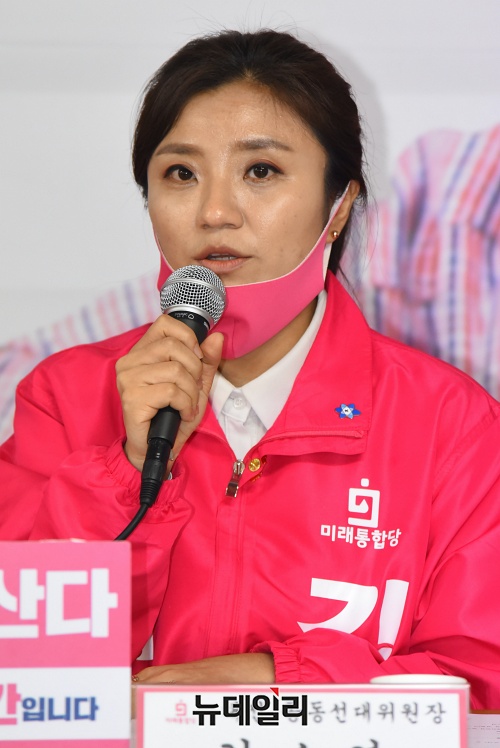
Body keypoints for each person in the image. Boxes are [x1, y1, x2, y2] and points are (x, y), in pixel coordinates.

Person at [0, 29, 499, 709]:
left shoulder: (452, 424)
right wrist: (127, 468)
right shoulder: (65, 396)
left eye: (260, 171)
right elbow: (25, 670)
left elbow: (481, 682)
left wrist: (272, 682)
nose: (215, 212)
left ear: (338, 207)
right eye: (181, 173)